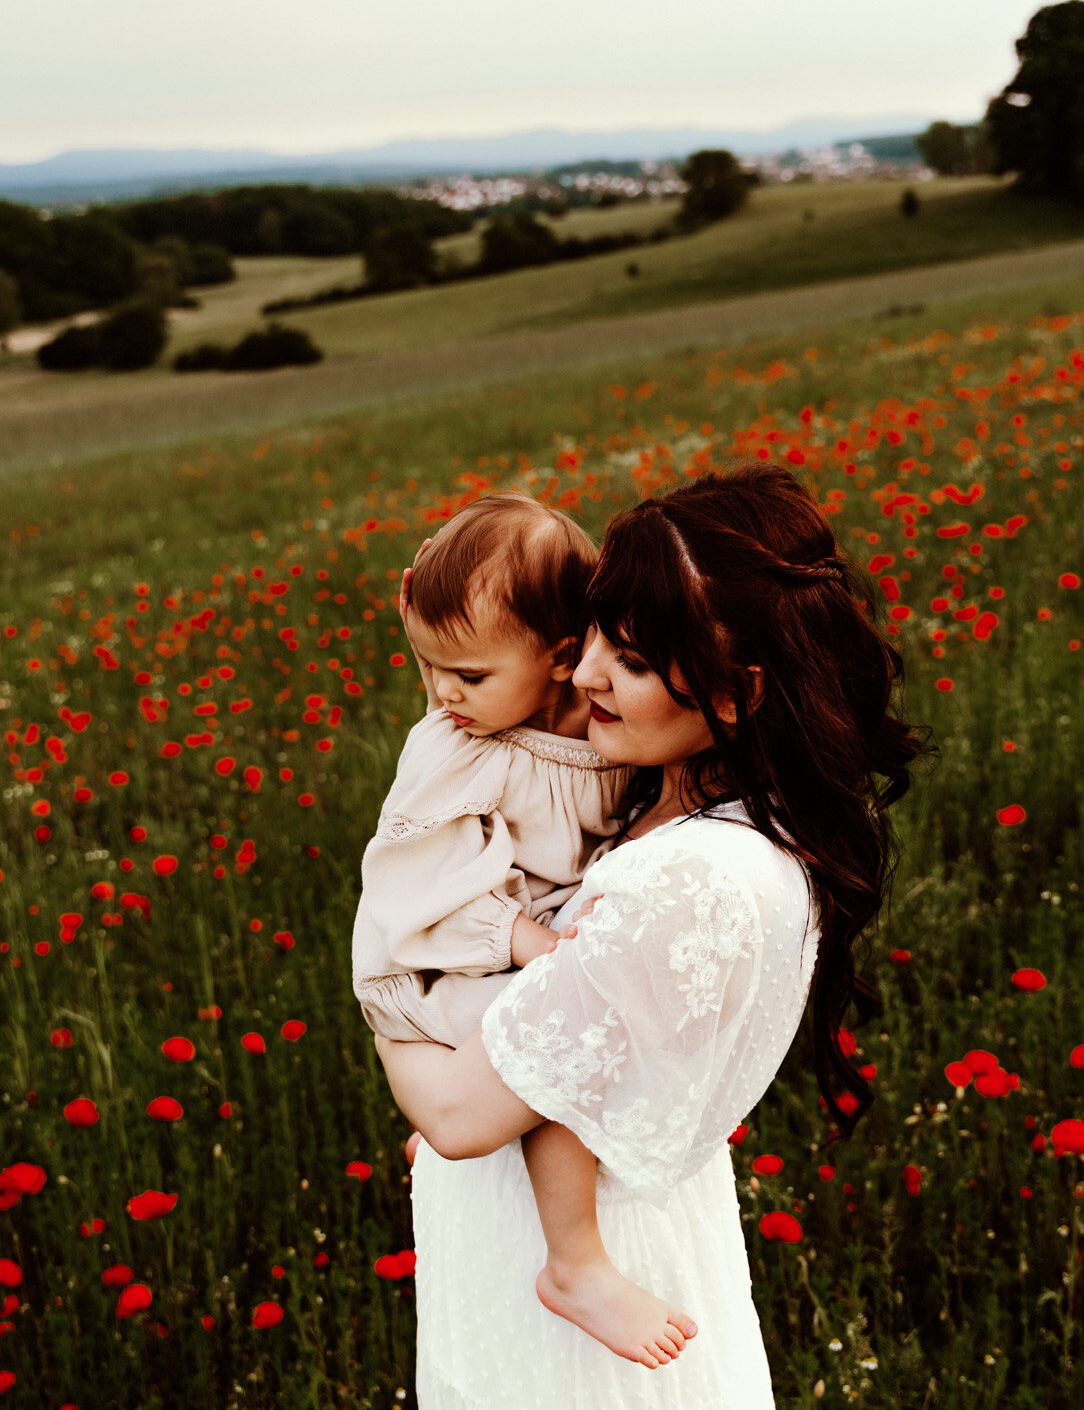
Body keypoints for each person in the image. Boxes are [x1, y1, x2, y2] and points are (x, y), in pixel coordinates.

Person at [376, 462, 930, 1408]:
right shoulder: (666, 808)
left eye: (630, 662)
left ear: (735, 692)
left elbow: (463, 1116)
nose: (583, 671)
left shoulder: (695, 878)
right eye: (594, 635)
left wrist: (391, 997)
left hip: (594, 1304)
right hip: (528, 1255)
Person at [353, 492, 695, 1366]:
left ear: (559, 658)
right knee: (554, 1038)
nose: (441, 694)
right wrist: (521, 941)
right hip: (449, 953)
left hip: (528, 941)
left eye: (466, 675)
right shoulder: (457, 745)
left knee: (568, 1016)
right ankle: (576, 1262)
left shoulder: (592, 717)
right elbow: (415, 883)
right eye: (429, 665)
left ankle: (471, 1104)